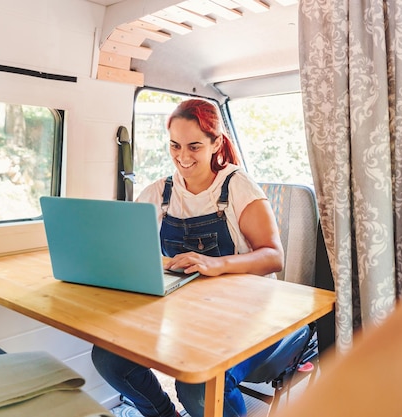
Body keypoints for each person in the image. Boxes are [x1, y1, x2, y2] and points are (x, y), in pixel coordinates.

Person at [92, 99, 285, 417]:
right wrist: (154, 263)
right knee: (109, 358)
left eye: (194, 146)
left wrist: (216, 263)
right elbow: (126, 250)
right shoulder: (159, 193)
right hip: (189, 315)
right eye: (175, 145)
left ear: (216, 143)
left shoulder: (237, 186)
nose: (182, 156)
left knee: (198, 386)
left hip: (250, 315)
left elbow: (274, 256)